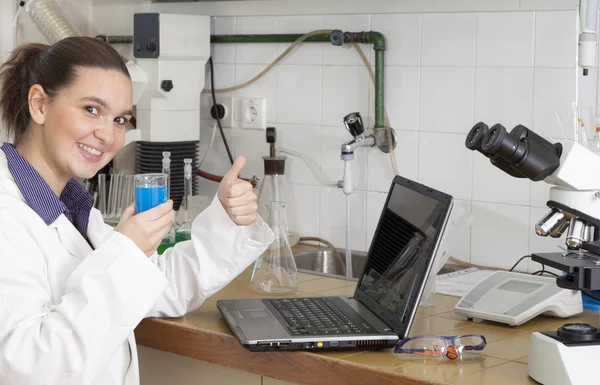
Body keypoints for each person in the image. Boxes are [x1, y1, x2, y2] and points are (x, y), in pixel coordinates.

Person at [0, 36, 273, 385]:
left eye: (120, 119)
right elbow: (30, 366)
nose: (107, 134)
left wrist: (228, 218)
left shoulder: (71, 207)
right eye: (91, 109)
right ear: (39, 104)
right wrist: (126, 252)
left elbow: (158, 286)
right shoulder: (8, 214)